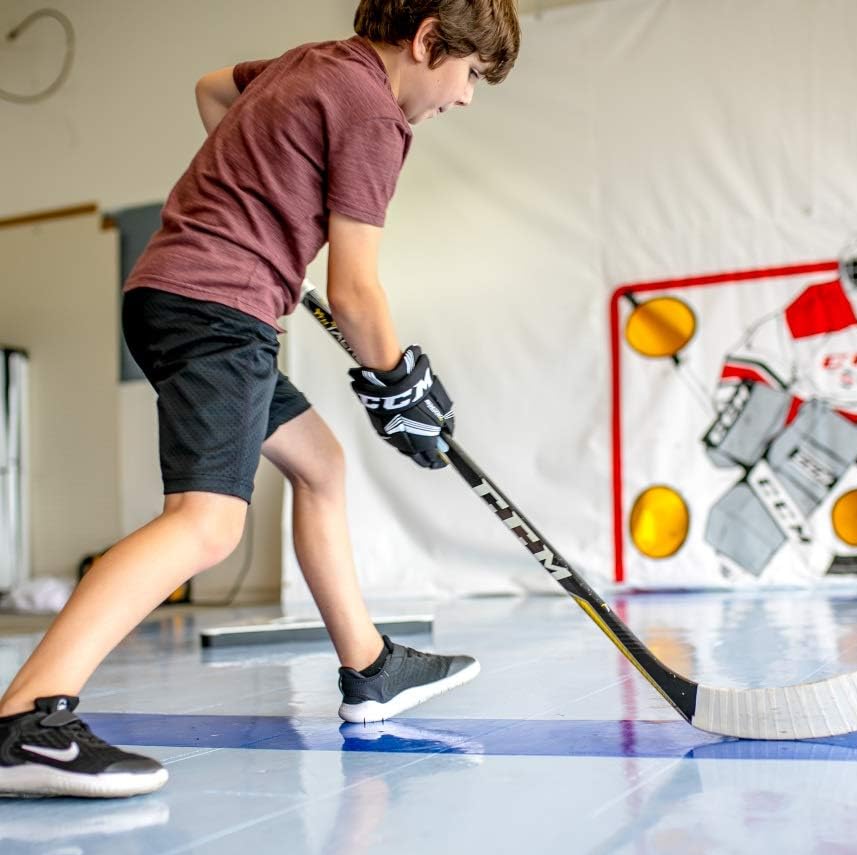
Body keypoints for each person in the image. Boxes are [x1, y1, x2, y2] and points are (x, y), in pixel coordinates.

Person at [0, 0, 520, 798]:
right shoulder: (377, 114)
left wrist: (264, 206)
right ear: (427, 42)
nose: (466, 95)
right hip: (217, 304)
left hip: (182, 292)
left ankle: (370, 667)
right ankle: (27, 720)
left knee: (320, 466)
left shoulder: (312, 62)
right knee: (206, 525)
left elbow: (213, 91)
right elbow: (354, 291)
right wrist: (398, 380)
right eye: (470, 73)